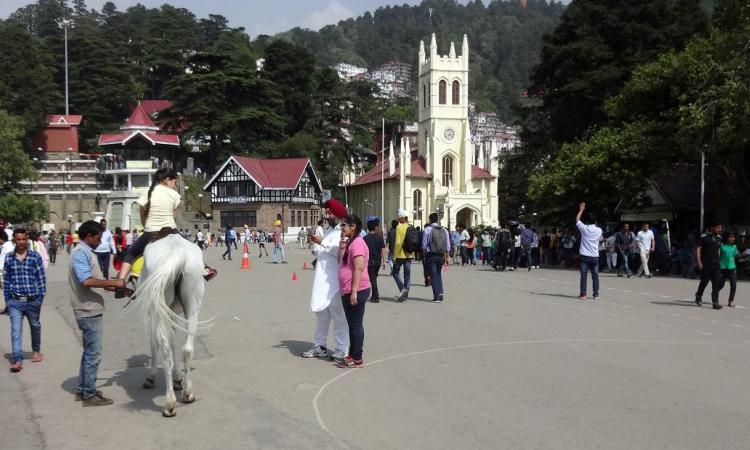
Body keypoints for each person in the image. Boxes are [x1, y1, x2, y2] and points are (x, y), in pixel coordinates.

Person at [116, 168, 216, 297]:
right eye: (174, 182)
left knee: (131, 253)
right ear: (167, 180)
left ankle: (120, 281)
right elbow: (173, 215)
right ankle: (206, 271)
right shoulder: (174, 195)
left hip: (151, 232)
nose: (175, 185)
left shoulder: (147, 192)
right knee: (192, 248)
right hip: (171, 231)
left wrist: (148, 225)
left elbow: (142, 216)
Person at [69, 220, 125, 406]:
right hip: (87, 309)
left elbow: (97, 280)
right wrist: (114, 283)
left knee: (88, 353)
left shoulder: (85, 252)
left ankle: (83, 389)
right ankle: (89, 394)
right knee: (94, 354)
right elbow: (86, 281)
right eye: (98, 238)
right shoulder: (80, 253)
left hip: (90, 308)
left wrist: (119, 288)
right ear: (89, 237)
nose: (100, 241)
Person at [302, 199, 350, 362]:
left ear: (337, 213)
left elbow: (339, 251)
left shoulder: (342, 231)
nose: (327, 215)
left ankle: (342, 348)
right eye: (327, 212)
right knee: (321, 314)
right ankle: (320, 345)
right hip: (322, 279)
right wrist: (315, 245)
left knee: (339, 315)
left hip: (334, 281)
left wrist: (321, 242)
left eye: (330, 212)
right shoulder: (329, 230)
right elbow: (322, 252)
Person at [4, 229, 46, 372]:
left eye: (23, 239)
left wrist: (41, 297)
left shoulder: (35, 257)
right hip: (15, 301)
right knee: (15, 330)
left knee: (35, 326)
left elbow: (41, 278)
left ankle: (36, 351)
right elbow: (7, 280)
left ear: (26, 239)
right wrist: (7, 300)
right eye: (18, 239)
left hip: (33, 300)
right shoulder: (9, 258)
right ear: (13, 240)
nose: (21, 242)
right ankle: (17, 359)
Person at [337, 214, 371, 368]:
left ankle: (356, 358)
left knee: (355, 324)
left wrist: (354, 291)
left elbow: (358, 267)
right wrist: (342, 246)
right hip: (349, 288)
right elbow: (341, 261)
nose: (341, 228)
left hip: (357, 289)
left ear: (353, 227)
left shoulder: (357, 243)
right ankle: (353, 355)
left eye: (344, 225)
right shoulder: (350, 242)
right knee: (353, 324)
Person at [575, 203, 602, 300]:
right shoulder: (599, 230)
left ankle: (583, 294)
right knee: (595, 275)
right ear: (595, 221)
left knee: (583, 276)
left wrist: (581, 210)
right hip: (594, 256)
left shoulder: (584, 229)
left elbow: (577, 220)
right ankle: (596, 294)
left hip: (585, 256)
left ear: (587, 221)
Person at [695, 221, 724, 310]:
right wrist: (699, 261)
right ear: (712, 228)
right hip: (706, 264)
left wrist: (720, 261)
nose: (720, 229)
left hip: (716, 265)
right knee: (704, 282)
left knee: (716, 283)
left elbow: (720, 250)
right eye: (718, 227)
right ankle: (698, 296)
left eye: (720, 228)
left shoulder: (719, 237)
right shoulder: (704, 237)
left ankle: (715, 302)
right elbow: (698, 249)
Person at [422, 212, 450, 303]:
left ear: (430, 220)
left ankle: (436, 296)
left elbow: (424, 245)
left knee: (433, 275)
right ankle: (441, 293)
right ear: (437, 220)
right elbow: (448, 245)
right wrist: (447, 256)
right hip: (441, 255)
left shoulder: (427, 230)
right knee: (438, 274)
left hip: (431, 255)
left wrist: (424, 253)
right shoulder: (444, 230)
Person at [392, 209, 414, 302]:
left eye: (399, 218)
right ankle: (406, 295)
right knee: (407, 274)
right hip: (409, 254)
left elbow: (398, 243)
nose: (398, 219)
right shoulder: (410, 226)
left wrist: (394, 255)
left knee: (395, 272)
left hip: (400, 254)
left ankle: (402, 289)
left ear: (402, 218)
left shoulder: (399, 227)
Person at [362, 218, 386, 303]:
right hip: (378, 261)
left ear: (368, 228)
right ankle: (374, 296)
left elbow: (363, 251)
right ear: (375, 228)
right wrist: (384, 261)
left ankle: (376, 297)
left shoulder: (364, 239)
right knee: (374, 278)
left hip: (370, 262)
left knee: (373, 280)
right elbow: (383, 249)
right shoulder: (379, 238)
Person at [720, 232, 739, 307]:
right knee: (721, 284)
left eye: (733, 237)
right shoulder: (722, 246)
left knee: (734, 285)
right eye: (730, 237)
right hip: (723, 268)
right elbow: (719, 255)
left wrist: (735, 268)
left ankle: (730, 301)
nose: (732, 239)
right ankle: (715, 294)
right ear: (727, 238)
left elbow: (733, 257)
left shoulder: (734, 246)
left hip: (732, 268)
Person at [0, 231, 14, 315]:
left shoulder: (5, 247)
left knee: (6, 290)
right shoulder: (9, 245)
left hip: (4, 272)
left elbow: (2, 262)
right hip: (9, 272)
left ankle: (9, 308)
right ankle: (8, 308)